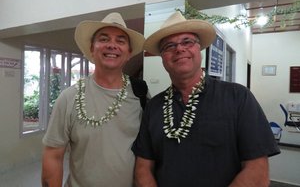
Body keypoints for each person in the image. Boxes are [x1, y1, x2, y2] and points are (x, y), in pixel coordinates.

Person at [132, 11, 280, 187]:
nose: (179, 49)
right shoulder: (154, 106)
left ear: (199, 48)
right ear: (162, 58)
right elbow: (143, 168)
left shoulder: (238, 97)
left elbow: (258, 171)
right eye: (169, 46)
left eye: (187, 42)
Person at [42, 12, 148, 187]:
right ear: (92, 49)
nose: (112, 45)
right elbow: (53, 155)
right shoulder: (68, 98)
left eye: (120, 41)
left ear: (129, 53)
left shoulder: (140, 94)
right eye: (104, 39)